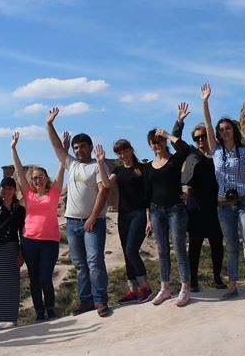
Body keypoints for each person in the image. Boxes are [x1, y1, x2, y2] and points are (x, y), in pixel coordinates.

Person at [201, 81, 245, 299]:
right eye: (221, 130)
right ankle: (232, 286)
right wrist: (205, 102)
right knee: (231, 246)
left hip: (244, 202)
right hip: (223, 206)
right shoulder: (216, 151)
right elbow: (208, 126)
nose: (223, 131)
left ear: (234, 130)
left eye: (227, 128)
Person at [45, 106, 113, 317]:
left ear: (90, 147)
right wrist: (49, 124)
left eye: (82, 146)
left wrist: (93, 217)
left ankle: (101, 301)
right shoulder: (72, 164)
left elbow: (104, 191)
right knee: (80, 265)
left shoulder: (98, 166)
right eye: (75, 147)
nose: (78, 150)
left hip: (93, 221)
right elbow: (57, 146)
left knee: (94, 262)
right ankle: (86, 301)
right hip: (72, 222)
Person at [11, 131, 65, 321]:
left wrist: (63, 153)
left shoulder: (54, 193)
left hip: (50, 241)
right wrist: (13, 148)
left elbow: (61, 167)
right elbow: (18, 170)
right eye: (35, 177)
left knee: (45, 278)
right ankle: (39, 312)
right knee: (34, 280)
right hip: (29, 241)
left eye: (41, 177)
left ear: (46, 178)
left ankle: (50, 308)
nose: (38, 180)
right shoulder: (28, 194)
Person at [173, 102, 225, 293]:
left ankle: (218, 278)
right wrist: (179, 121)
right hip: (195, 205)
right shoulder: (191, 153)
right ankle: (193, 281)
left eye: (203, 136)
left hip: (214, 204)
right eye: (197, 138)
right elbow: (175, 141)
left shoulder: (218, 154)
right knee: (194, 245)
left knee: (217, 244)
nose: (201, 140)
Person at [145, 126, 193, 306]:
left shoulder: (174, 160)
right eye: (154, 142)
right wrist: (148, 218)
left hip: (175, 209)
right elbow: (147, 194)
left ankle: (185, 289)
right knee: (162, 251)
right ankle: (165, 288)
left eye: (160, 141)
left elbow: (185, 149)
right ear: (150, 146)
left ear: (164, 142)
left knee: (180, 249)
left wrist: (167, 134)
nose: (157, 145)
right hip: (156, 211)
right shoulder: (148, 168)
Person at [0, 141, 26, 331]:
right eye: (4, 188)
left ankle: (11, 318)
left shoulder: (19, 210)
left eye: (10, 188)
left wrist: (21, 253)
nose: (7, 191)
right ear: (1, 190)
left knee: (12, 283)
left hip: (12, 247)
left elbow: (22, 233)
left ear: (14, 191)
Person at [109, 138, 152, 303]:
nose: (122, 154)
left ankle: (145, 288)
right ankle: (133, 290)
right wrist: (100, 162)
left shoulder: (142, 168)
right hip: (123, 215)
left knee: (131, 251)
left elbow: (148, 195)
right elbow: (106, 183)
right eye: (119, 152)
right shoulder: (118, 171)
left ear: (131, 150)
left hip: (139, 213)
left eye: (125, 150)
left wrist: (149, 219)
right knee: (126, 253)